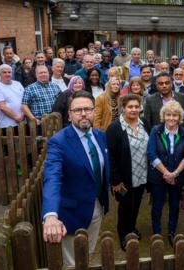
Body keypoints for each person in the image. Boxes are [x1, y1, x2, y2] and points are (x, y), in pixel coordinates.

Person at [42, 90, 110, 267]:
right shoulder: (59, 142)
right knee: (72, 262)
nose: (83, 114)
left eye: (87, 109)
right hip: (71, 214)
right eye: (77, 110)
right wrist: (50, 215)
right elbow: (52, 177)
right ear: (70, 115)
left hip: (96, 207)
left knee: (89, 252)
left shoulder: (100, 136)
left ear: (94, 111)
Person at [106, 94, 150, 250]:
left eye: (136, 106)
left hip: (141, 174)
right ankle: (123, 233)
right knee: (125, 206)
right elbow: (110, 156)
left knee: (136, 204)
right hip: (124, 179)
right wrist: (115, 180)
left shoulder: (144, 123)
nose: (133, 109)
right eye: (130, 107)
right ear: (123, 108)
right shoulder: (115, 128)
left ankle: (131, 227)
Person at [147, 101, 184, 246]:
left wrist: (175, 174)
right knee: (157, 205)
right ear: (163, 116)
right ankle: (157, 233)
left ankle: (172, 232)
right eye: (168, 115)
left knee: (174, 205)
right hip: (159, 176)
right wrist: (166, 173)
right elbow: (151, 154)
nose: (171, 118)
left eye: (175, 115)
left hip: (177, 176)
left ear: (180, 117)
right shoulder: (155, 130)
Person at [21, 66, 61, 130]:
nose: (43, 74)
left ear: (49, 74)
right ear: (36, 75)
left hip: (54, 120)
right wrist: (33, 119)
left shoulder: (56, 87)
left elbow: (60, 102)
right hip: (39, 122)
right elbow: (24, 106)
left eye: (45, 72)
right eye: (40, 73)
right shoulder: (29, 88)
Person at [0, 65, 24, 130]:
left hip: (22, 122)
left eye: (9, 72)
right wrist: (16, 117)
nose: (7, 74)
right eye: (4, 72)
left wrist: (22, 115)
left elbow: (25, 101)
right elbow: (2, 107)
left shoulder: (18, 84)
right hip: (7, 125)